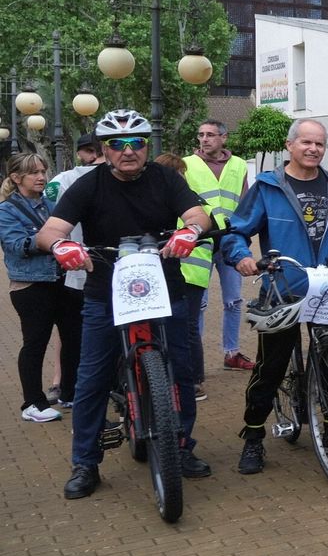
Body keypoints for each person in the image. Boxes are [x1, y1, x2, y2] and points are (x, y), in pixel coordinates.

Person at [35, 110, 212, 499]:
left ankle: (181, 448)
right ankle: (85, 462)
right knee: (91, 377)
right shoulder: (88, 185)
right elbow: (50, 230)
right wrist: (61, 245)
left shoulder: (165, 178)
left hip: (166, 289)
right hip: (106, 293)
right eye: (117, 144)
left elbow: (199, 213)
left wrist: (191, 230)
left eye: (137, 143)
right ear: (103, 149)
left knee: (180, 371)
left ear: (148, 146)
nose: (127, 151)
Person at [219, 118, 328, 476]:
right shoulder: (268, 187)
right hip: (283, 287)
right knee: (271, 366)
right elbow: (236, 231)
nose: (313, 149)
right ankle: (253, 435)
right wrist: (241, 257)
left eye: (320, 144)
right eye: (306, 142)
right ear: (290, 145)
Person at [2, 153, 79, 421]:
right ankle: (32, 404)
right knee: (35, 343)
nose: (41, 177)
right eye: (34, 172)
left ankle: (70, 393)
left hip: (62, 280)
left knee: (74, 338)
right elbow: (15, 245)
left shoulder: (51, 203)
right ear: (16, 177)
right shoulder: (6, 209)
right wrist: (50, 241)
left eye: (43, 171)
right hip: (30, 286)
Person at [183, 120, 256, 400]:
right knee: (197, 302)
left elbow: (246, 200)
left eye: (210, 135)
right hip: (198, 240)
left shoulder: (238, 165)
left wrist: (245, 233)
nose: (204, 139)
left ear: (224, 138)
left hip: (229, 239)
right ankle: (194, 356)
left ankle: (232, 352)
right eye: (200, 135)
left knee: (234, 300)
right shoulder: (187, 164)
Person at [43, 134, 103, 403]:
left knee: (70, 331)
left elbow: (45, 209)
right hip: (83, 266)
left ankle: (61, 383)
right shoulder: (100, 178)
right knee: (76, 331)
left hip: (73, 267)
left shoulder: (61, 180)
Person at [156, 151, 210, 402]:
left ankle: (195, 380)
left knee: (187, 328)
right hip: (166, 272)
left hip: (191, 272)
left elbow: (212, 225)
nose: (178, 178)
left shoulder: (190, 199)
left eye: (179, 174)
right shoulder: (156, 199)